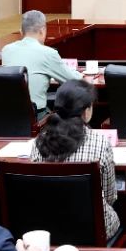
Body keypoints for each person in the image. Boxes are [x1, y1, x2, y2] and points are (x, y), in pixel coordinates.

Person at [30, 80, 120, 241]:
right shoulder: (99, 142)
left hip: (49, 228)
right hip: (94, 230)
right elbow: (110, 197)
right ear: (86, 112)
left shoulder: (39, 142)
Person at [0, 10, 84, 114]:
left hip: (7, 114)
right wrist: (81, 74)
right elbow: (73, 80)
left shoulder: (6, 50)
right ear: (42, 31)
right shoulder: (48, 53)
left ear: (21, 31)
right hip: (36, 116)